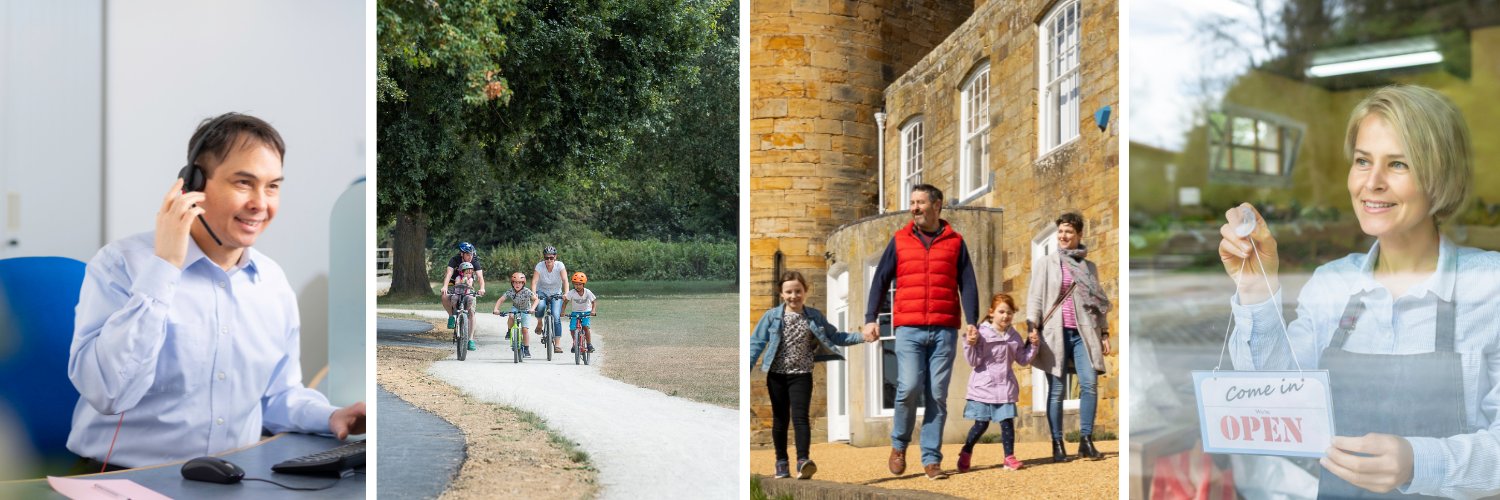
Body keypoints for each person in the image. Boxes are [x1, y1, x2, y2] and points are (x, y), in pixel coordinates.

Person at [1220, 85, 1500, 499]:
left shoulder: (1490, 288)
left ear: (1440, 175)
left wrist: (1419, 462)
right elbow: (1275, 403)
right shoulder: (1333, 284)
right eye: (1363, 161)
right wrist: (1257, 288)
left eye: (1399, 164)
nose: (1372, 183)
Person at [66, 112, 365, 470]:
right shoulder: (121, 265)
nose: (261, 203)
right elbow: (108, 392)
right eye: (243, 183)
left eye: (272, 186)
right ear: (193, 185)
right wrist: (164, 268)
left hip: (233, 479)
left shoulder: (271, 283)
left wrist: (331, 416)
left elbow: (277, 395)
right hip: (124, 480)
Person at [860, 184, 980, 480]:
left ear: (937, 205)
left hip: (944, 329)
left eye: (920, 202)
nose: (914, 207)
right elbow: (880, 281)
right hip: (909, 328)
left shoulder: (955, 242)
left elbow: (969, 283)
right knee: (909, 387)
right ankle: (899, 445)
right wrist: (871, 317)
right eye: (911, 202)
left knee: (937, 394)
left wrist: (973, 320)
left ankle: (931, 459)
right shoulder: (900, 241)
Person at [749, 271, 866, 480]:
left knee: (801, 417)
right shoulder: (772, 316)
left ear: (805, 291)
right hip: (776, 375)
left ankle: (803, 461)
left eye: (798, 291)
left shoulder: (814, 316)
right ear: (781, 294)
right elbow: (756, 344)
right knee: (780, 419)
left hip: (802, 374)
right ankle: (781, 462)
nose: (794, 295)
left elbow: (835, 336)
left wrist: (861, 336)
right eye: (789, 292)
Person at [1027, 211, 1111, 463]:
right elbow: (1035, 298)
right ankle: (1057, 443)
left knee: (1089, 384)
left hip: (1084, 332)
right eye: (1060, 232)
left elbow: (1097, 303)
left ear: (1079, 235)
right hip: (1055, 332)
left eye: (1069, 232)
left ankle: (1086, 440)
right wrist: (1032, 327)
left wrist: (1104, 332)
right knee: (1057, 389)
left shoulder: (1089, 267)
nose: (1063, 236)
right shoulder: (1046, 263)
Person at [957, 293, 1038, 473]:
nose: (1005, 316)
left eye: (1009, 313)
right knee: (981, 425)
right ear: (991, 313)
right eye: (1001, 311)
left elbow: (1023, 360)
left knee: (1007, 422)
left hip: (1005, 387)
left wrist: (1033, 345)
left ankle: (1009, 458)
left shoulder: (1014, 335)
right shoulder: (981, 333)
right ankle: (966, 451)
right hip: (983, 387)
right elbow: (973, 361)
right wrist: (970, 343)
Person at [440, 242, 487, 347]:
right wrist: (445, 287)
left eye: (471, 254)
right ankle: (451, 316)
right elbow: (449, 274)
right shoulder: (454, 260)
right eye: (468, 254)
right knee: (444, 296)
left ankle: (470, 340)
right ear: (462, 254)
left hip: (468, 286)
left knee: (471, 312)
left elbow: (480, 277)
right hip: (454, 283)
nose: (470, 256)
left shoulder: (474, 261)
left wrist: (482, 288)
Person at [531, 246, 568, 354]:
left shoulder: (560, 265)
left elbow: (565, 280)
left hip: (556, 293)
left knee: (556, 316)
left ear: (555, 257)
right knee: (541, 306)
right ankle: (539, 323)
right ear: (544, 258)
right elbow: (534, 282)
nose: (549, 260)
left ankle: (557, 344)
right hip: (542, 292)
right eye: (546, 258)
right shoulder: (540, 266)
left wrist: (566, 293)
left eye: (551, 258)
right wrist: (534, 294)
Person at [493, 271, 539, 358]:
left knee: (525, 330)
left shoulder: (527, 291)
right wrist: (496, 309)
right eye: (515, 283)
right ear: (512, 283)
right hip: (516, 308)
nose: (517, 285)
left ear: (523, 283)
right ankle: (509, 331)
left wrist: (532, 309)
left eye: (520, 283)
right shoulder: (510, 291)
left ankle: (526, 349)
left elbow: (536, 300)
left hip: (526, 310)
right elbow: (501, 300)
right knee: (511, 315)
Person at [563, 271, 597, 353]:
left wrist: (593, 310)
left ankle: (589, 344)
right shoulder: (571, 293)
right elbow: (565, 302)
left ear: (583, 284)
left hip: (586, 312)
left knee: (585, 326)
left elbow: (594, 302)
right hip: (575, 313)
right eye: (576, 284)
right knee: (572, 328)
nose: (578, 286)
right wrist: (562, 312)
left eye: (580, 284)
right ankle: (575, 343)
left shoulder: (587, 292)